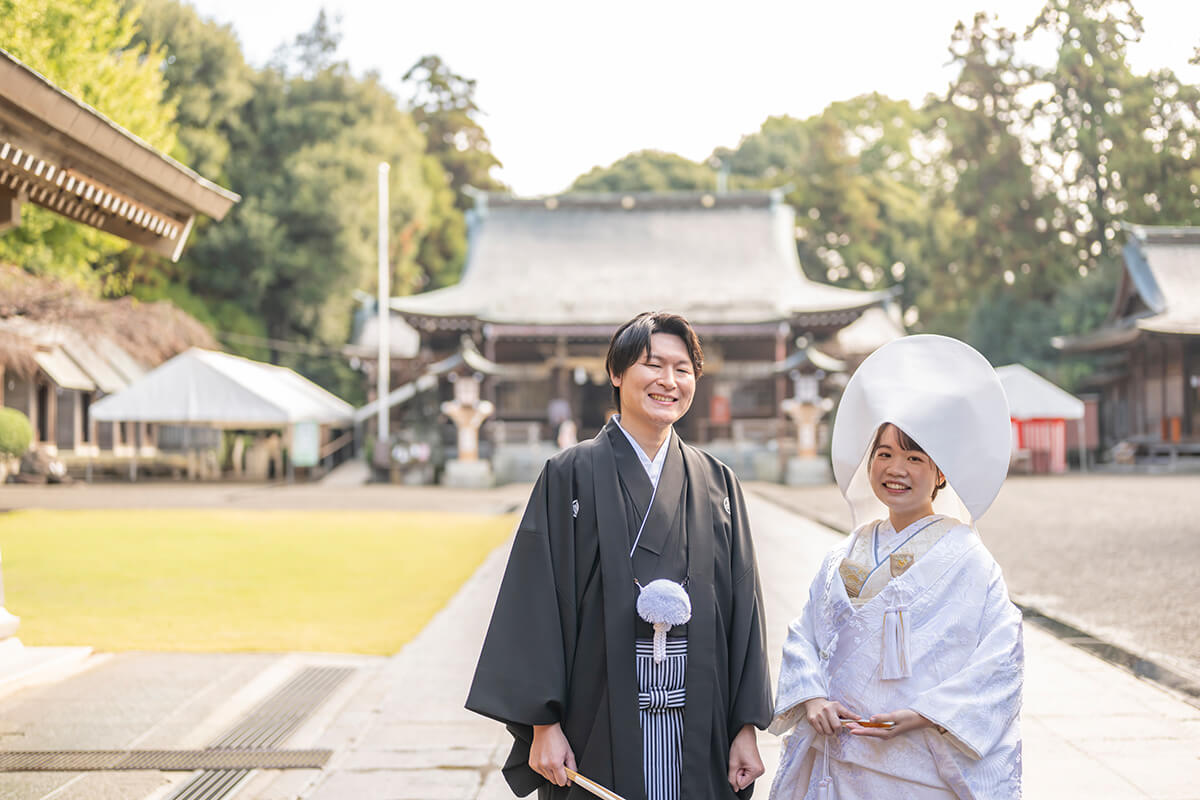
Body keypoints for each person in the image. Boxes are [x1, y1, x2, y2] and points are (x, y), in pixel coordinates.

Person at [467, 311, 773, 800]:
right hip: (598, 714)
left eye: (682, 369)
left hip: (701, 719)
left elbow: (744, 613)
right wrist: (542, 724)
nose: (668, 381)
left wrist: (745, 726)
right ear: (616, 372)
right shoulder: (568, 473)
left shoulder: (718, 482)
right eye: (653, 365)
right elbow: (534, 600)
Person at [769, 334, 1023, 800]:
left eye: (913, 457)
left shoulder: (969, 560)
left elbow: (1002, 656)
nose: (895, 469)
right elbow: (804, 633)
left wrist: (928, 714)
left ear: (941, 472)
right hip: (836, 758)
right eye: (884, 454)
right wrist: (812, 697)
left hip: (918, 764)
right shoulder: (843, 554)